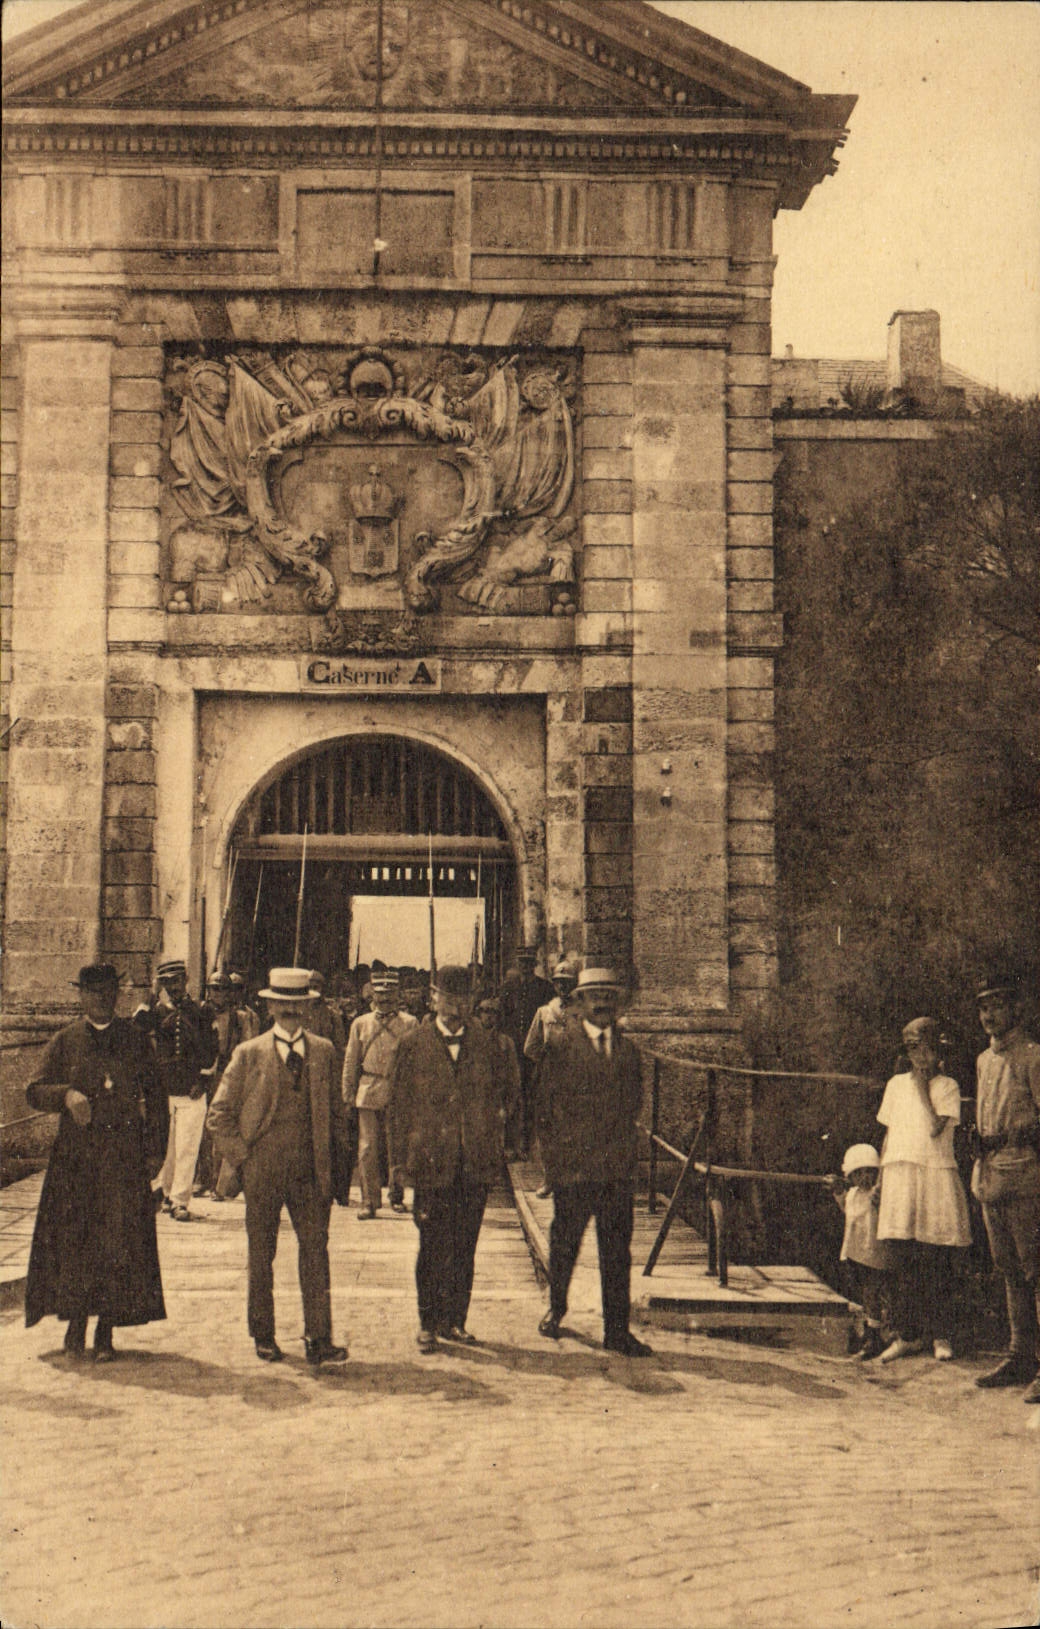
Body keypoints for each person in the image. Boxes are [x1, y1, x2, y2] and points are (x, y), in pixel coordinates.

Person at [206, 967, 353, 1366]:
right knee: (261, 1255)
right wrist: (243, 1158)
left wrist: (337, 1170)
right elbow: (218, 1115)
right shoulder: (249, 1053)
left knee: (316, 1253)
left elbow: (338, 1116)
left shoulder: (324, 1051)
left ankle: (318, 1338)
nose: (290, 1011)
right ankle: (263, 1334)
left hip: (310, 1173)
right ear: (269, 1007)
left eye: (297, 1004)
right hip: (262, 1171)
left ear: (308, 1008)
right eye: (282, 1004)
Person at [24, 964, 168, 1362]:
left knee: (118, 1242)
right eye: (93, 992)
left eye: (108, 992)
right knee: (75, 1240)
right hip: (76, 1161)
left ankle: (106, 1329)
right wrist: (66, 1096)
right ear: (81, 996)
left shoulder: (136, 1040)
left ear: (117, 995)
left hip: (123, 1158)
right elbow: (34, 1089)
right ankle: (75, 1323)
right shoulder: (65, 1040)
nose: (102, 999)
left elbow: (157, 1098)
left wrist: (156, 1151)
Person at [389, 964, 514, 1352]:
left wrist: (492, 1131)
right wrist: (397, 1166)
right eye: (448, 998)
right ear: (433, 999)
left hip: (473, 1163)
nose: (456, 1006)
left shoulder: (489, 1045)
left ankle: (456, 1321)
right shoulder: (412, 1044)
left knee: (464, 1247)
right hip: (431, 1163)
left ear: (472, 1001)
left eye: (463, 999)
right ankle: (428, 1322)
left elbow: (508, 1094)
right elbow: (398, 1109)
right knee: (432, 1245)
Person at [532, 966, 652, 1357]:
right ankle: (556, 1309)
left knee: (616, 1252)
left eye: (609, 996)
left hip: (615, 1171)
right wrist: (553, 1167)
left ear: (619, 1004)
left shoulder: (630, 1053)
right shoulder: (560, 1048)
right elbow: (544, 1112)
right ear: (580, 1002)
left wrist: (627, 1159)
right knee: (565, 1244)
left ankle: (616, 1331)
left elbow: (633, 1106)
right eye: (594, 996)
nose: (602, 1003)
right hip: (574, 1170)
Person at [875, 1017, 971, 1363]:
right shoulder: (895, 1085)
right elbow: (890, 1135)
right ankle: (908, 1336)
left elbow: (934, 1128)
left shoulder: (947, 1086)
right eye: (913, 1049)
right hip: (900, 1174)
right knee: (903, 1257)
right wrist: (880, 1179)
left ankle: (940, 1335)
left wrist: (920, 1086)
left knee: (936, 1257)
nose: (920, 1057)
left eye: (926, 1049)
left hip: (934, 1176)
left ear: (937, 1051)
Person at [971, 973, 1040, 1401]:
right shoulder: (984, 1060)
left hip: (1026, 1175)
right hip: (990, 1176)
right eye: (983, 1007)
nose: (989, 1015)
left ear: (1016, 1008)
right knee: (1010, 1271)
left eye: (997, 1005)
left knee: (1037, 1270)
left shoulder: (1033, 1056)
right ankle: (1020, 1356)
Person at [136, 958, 217, 1222]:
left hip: (191, 1090)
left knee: (187, 1148)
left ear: (186, 980)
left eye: (176, 981)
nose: (173, 987)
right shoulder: (157, 1012)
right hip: (163, 1092)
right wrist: (151, 994)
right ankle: (167, 1195)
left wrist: (203, 1081)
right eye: (167, 983)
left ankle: (180, 1200)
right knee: (167, 1148)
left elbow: (212, 1048)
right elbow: (137, 1027)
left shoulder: (202, 1011)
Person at [342, 969, 417, 1219]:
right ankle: (369, 1200)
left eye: (390, 994)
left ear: (398, 995)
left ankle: (396, 1196)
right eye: (380, 994)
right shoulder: (360, 1023)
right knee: (367, 1148)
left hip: (398, 1091)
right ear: (372, 994)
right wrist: (347, 1093)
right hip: (369, 1089)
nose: (384, 999)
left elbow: (416, 1062)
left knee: (397, 1147)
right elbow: (351, 1060)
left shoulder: (410, 1023)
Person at [826, 1144, 895, 1361]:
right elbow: (846, 1209)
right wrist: (838, 1191)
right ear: (851, 1176)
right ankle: (869, 1330)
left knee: (873, 1293)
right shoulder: (853, 1194)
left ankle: (875, 1335)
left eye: (869, 1172)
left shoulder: (878, 1196)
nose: (865, 1177)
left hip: (874, 1254)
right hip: (855, 1253)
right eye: (859, 1173)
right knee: (864, 1294)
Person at [196, 970, 260, 1198]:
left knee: (221, 1127)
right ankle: (202, 1179)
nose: (218, 994)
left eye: (223, 989)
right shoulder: (200, 1013)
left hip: (226, 1075)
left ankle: (218, 1184)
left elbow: (247, 1048)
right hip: (203, 1075)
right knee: (201, 1129)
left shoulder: (239, 1018)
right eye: (214, 989)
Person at [523, 958, 579, 1193]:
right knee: (547, 1129)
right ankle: (549, 1179)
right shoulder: (545, 1012)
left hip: (577, 1078)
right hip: (550, 1079)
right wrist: (548, 1060)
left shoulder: (583, 1012)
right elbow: (530, 1047)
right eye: (559, 982)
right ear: (554, 985)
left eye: (568, 982)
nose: (563, 987)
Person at [497, 947, 553, 1156]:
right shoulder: (508, 988)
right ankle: (510, 1144)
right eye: (522, 963)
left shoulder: (544, 988)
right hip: (512, 1049)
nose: (525, 967)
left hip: (533, 1051)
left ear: (534, 965)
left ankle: (526, 1145)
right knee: (511, 1094)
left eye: (529, 963)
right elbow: (502, 1017)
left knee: (531, 1096)